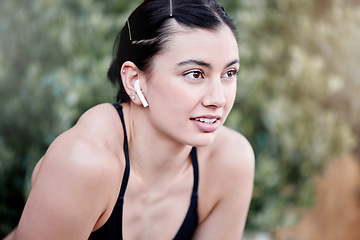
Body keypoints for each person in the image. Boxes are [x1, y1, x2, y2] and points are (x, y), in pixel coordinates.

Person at [6, 0, 254, 239]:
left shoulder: (229, 161)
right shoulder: (84, 162)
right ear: (135, 80)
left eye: (229, 73)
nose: (218, 99)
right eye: (195, 74)